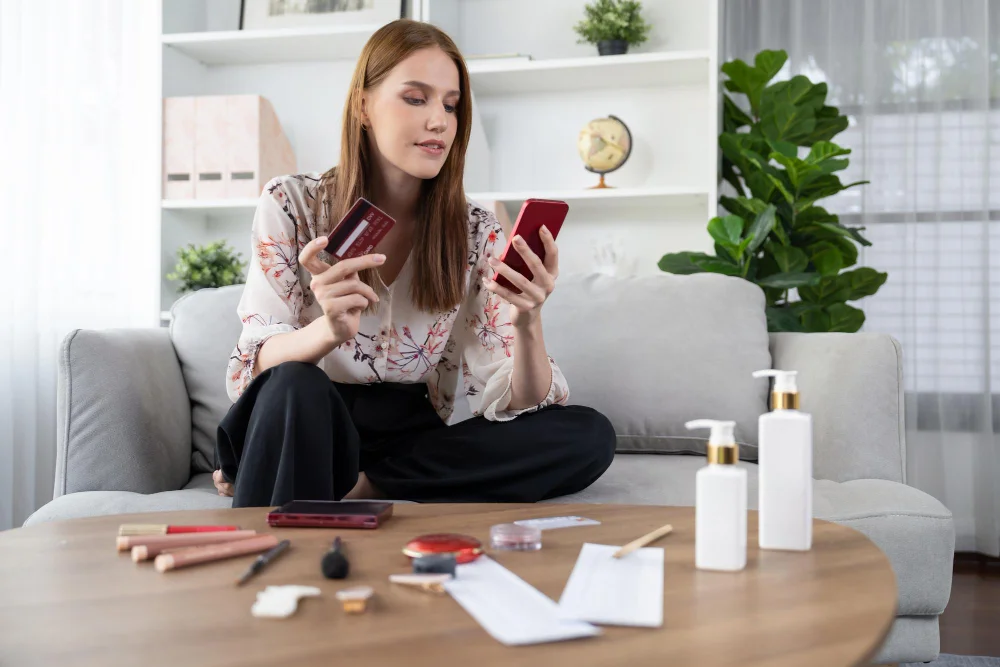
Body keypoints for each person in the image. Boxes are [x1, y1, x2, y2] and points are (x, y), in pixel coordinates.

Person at [213, 19, 616, 508]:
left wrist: (528, 322)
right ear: (363, 105)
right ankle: (305, 483)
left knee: (587, 433)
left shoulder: (475, 232)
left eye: (450, 104)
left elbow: (519, 403)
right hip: (304, 411)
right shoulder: (292, 204)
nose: (439, 121)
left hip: (407, 439)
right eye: (416, 98)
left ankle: (365, 486)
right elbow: (250, 368)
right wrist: (326, 333)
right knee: (295, 385)